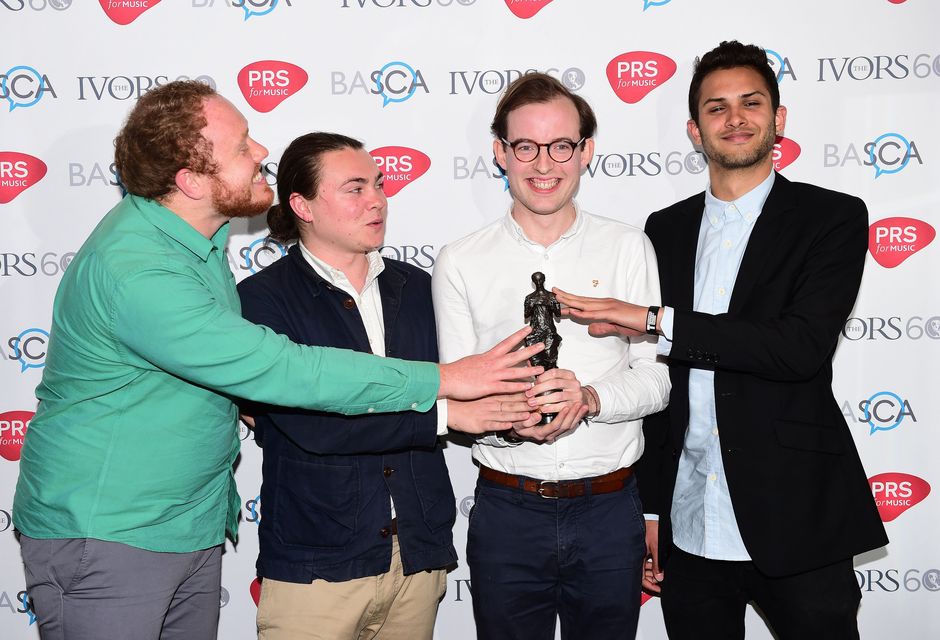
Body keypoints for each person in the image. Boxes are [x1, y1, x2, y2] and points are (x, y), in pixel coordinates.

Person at [13, 81, 544, 640]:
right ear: (191, 181)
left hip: (182, 529)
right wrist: (445, 383)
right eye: (242, 147)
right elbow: (283, 371)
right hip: (111, 535)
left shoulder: (198, 246)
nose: (263, 152)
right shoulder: (141, 269)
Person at [555, 41, 888, 640]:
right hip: (688, 521)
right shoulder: (666, 228)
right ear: (694, 129)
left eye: (751, 103)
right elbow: (660, 375)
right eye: (716, 108)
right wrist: (653, 505)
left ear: (778, 118)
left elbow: (797, 349)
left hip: (797, 514)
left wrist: (654, 318)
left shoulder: (832, 217)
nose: (735, 119)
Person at [238, 132, 540, 640]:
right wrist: (446, 416)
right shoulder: (260, 302)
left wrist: (524, 404)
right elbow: (308, 423)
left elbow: (473, 385)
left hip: (418, 557)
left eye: (378, 184)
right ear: (302, 205)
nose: (377, 199)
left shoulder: (420, 287)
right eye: (355, 188)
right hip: (317, 565)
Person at [432, 72, 671, 640]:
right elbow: (456, 391)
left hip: (610, 510)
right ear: (500, 153)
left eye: (562, 145)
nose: (544, 164)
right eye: (526, 147)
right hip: (508, 512)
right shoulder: (460, 261)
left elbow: (656, 382)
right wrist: (515, 425)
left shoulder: (628, 246)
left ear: (586, 151)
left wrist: (589, 399)